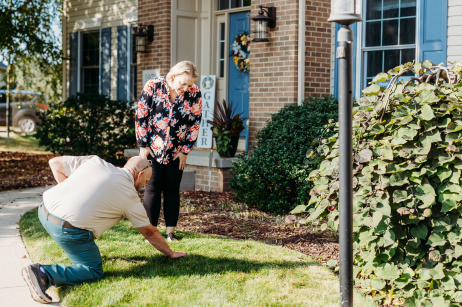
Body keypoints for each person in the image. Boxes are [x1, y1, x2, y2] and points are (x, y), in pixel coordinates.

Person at [22, 155, 186, 304]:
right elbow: (150, 232)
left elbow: (55, 163)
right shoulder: (129, 194)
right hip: (66, 229)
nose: (144, 186)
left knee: (93, 219)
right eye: (146, 181)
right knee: (93, 271)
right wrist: (170, 253)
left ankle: (79, 251)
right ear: (139, 175)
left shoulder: (96, 161)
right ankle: (43, 273)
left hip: (44, 211)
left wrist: (70, 199)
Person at [136, 61, 202, 242]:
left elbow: (195, 122)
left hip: (176, 151)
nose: (186, 88)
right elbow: (141, 116)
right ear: (173, 77)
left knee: (172, 189)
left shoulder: (194, 93)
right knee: (152, 187)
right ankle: (151, 233)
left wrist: (185, 150)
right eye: (183, 84)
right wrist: (143, 145)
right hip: (152, 149)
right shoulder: (153, 86)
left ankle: (170, 233)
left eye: (190, 84)